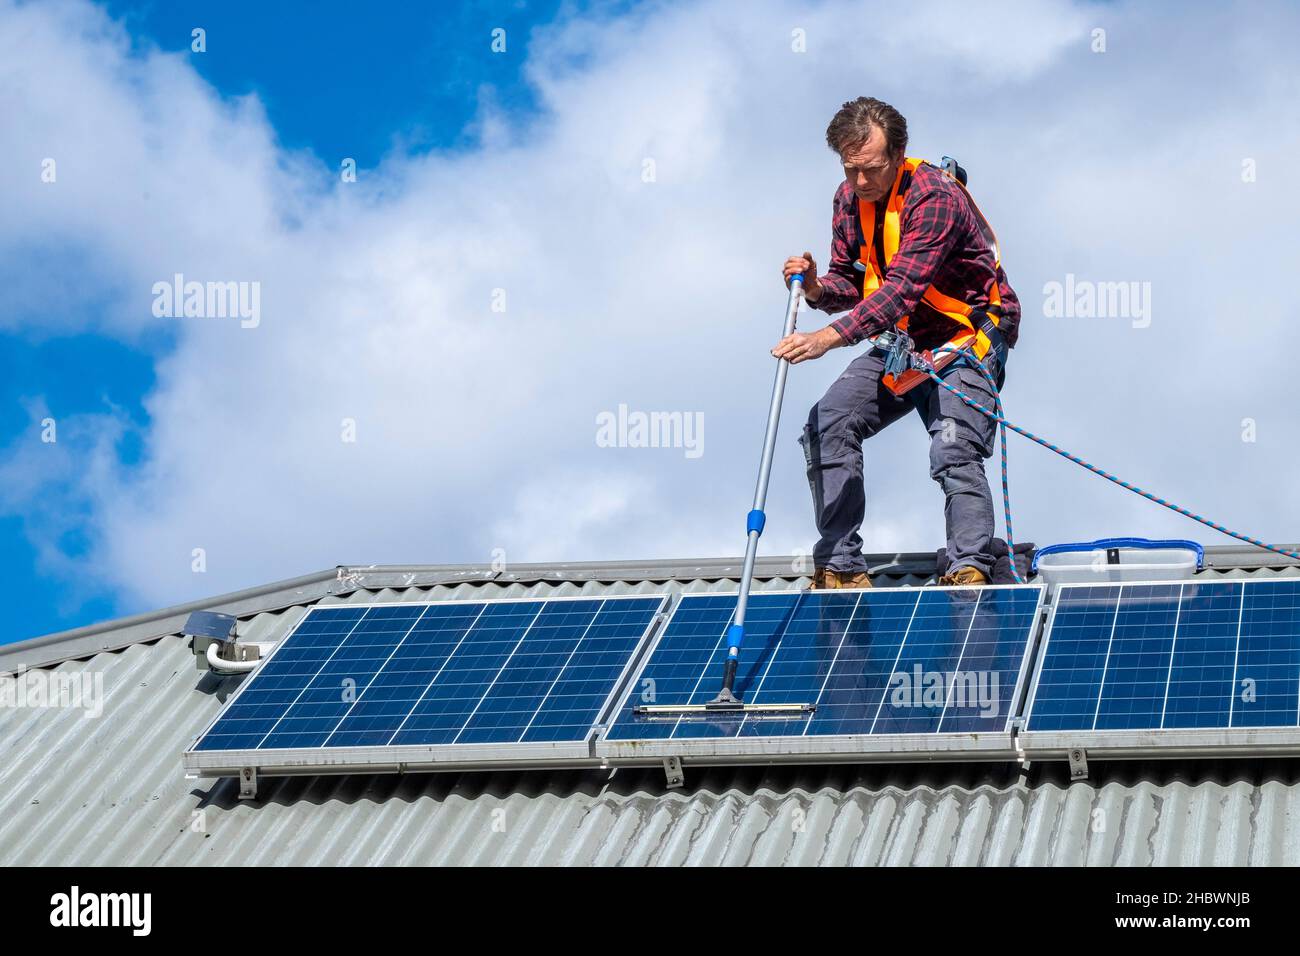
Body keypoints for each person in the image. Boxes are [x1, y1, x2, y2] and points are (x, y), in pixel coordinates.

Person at [775, 96, 1021, 590]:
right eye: (850, 169)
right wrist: (819, 289)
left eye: (871, 168)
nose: (860, 181)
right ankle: (841, 567)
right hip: (903, 343)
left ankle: (969, 568)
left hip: (964, 339)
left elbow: (902, 289)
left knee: (953, 447)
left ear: (899, 153)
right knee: (828, 424)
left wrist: (826, 338)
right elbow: (854, 281)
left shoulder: (934, 197)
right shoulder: (848, 200)